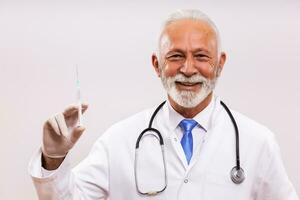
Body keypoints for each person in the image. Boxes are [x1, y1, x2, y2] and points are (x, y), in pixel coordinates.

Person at [28, 9, 299, 200]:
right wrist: (53, 159)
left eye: (201, 56)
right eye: (176, 56)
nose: (188, 68)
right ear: (157, 65)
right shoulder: (119, 141)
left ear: (220, 63)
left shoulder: (258, 142)